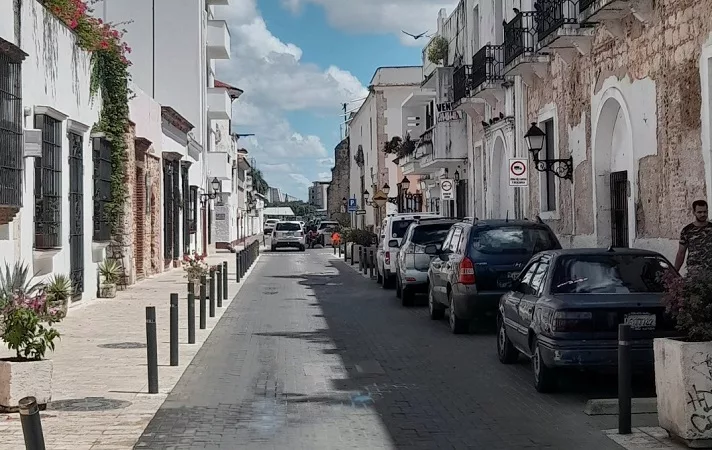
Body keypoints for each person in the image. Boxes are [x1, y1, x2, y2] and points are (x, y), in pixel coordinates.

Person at [675, 199, 712, 275]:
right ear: (694, 212)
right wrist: (674, 272)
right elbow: (681, 253)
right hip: (694, 274)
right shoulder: (687, 230)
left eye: (705, 212)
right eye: (699, 212)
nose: (702, 214)